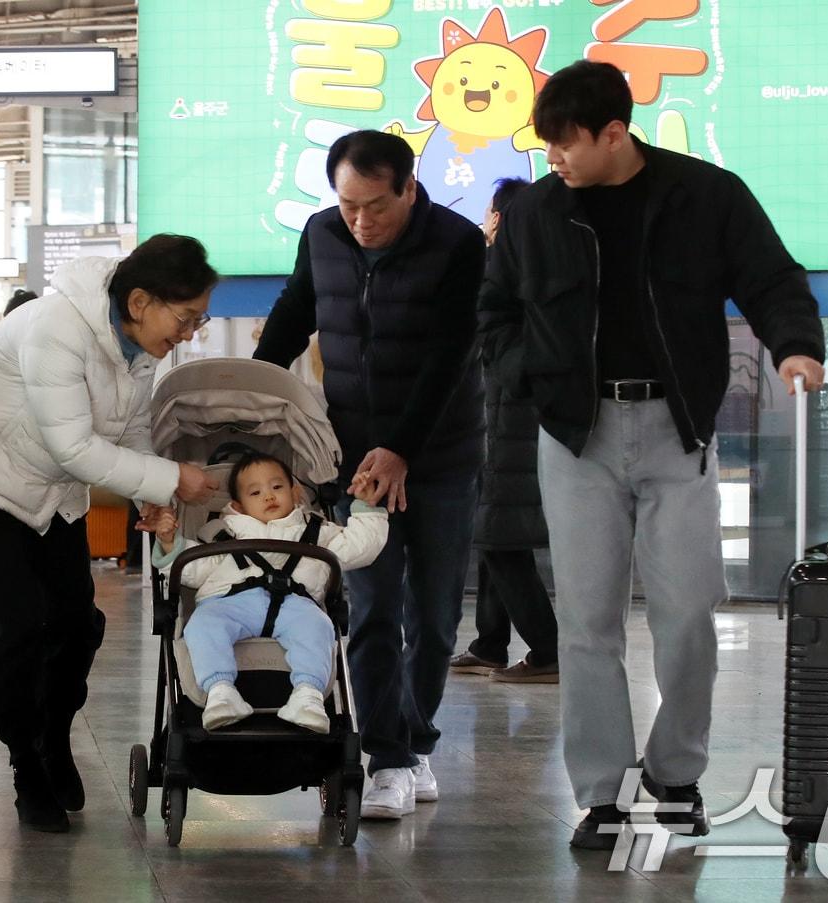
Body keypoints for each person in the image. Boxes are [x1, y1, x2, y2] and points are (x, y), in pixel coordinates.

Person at [478, 61, 826, 850]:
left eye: (568, 145)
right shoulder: (535, 212)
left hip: (677, 430)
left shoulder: (706, 196)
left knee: (688, 615)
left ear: (614, 132)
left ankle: (676, 775)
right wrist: (527, 378)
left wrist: (797, 347)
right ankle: (601, 793)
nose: (555, 160)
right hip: (577, 435)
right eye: (547, 147)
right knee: (588, 621)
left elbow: (772, 278)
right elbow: (493, 309)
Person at [0, 233, 221, 833]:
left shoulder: (140, 345)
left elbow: (133, 429)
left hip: (53, 493)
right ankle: (24, 768)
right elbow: (77, 446)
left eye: (200, 319)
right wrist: (173, 480)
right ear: (140, 301)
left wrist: (151, 496)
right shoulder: (55, 327)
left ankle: (53, 738)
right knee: (19, 631)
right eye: (187, 317)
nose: (190, 332)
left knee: (77, 624)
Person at [254, 129, 486, 820]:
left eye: (374, 206)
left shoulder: (459, 243)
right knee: (374, 607)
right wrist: (257, 390)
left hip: (439, 456)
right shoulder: (324, 235)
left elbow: (450, 353)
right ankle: (387, 756)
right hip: (352, 459)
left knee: (437, 615)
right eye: (348, 205)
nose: (360, 222)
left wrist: (403, 449)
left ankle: (415, 741)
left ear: (410, 188)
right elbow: (296, 313)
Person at [148, 453, 388, 733]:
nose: (268, 496)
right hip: (230, 603)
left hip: (296, 606)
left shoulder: (318, 533)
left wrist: (367, 507)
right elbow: (192, 567)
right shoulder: (221, 534)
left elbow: (360, 546)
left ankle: (307, 695)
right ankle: (221, 690)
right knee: (203, 623)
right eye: (255, 492)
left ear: (295, 492)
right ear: (237, 505)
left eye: (277, 487)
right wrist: (168, 543)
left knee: (319, 625)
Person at [449, 177, 560, 684]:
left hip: (509, 425)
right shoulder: (532, 265)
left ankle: (549, 651)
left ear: (500, 218)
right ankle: (490, 644)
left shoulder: (501, 268)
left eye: (489, 212)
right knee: (499, 538)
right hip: (508, 420)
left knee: (499, 541)